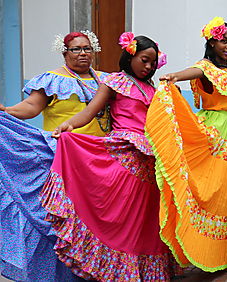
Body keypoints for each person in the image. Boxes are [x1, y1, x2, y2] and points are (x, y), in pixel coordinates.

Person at [0, 31, 106, 282]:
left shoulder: (106, 80)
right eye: (76, 49)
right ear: (65, 53)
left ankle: (97, 269)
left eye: (87, 49)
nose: (83, 54)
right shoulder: (53, 80)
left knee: (96, 219)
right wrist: (6, 110)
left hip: (99, 160)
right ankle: (63, 273)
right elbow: (32, 107)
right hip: (62, 157)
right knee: (63, 218)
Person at [41, 33, 176, 281]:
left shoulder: (153, 89)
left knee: (146, 223)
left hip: (152, 163)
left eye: (152, 63)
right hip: (124, 156)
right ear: (130, 55)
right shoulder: (114, 82)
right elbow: (91, 111)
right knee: (122, 220)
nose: (148, 67)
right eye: (144, 60)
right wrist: (68, 126)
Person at [146, 17, 227, 272]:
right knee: (211, 194)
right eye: (223, 41)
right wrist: (173, 76)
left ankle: (226, 257)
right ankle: (203, 253)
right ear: (211, 41)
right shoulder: (206, 67)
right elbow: (190, 73)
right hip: (215, 136)